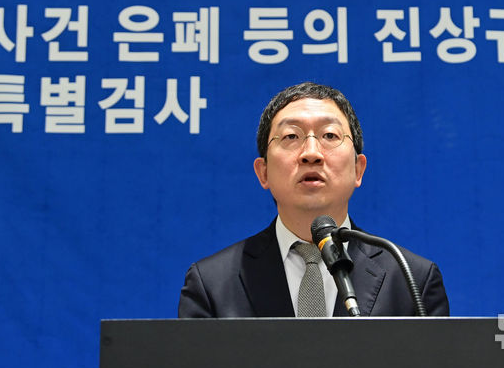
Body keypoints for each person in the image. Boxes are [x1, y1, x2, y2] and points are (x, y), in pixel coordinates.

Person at [178, 82, 449, 317]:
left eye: (329, 135)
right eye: (291, 136)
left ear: (358, 169)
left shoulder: (412, 280)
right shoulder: (211, 284)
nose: (311, 153)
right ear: (263, 172)